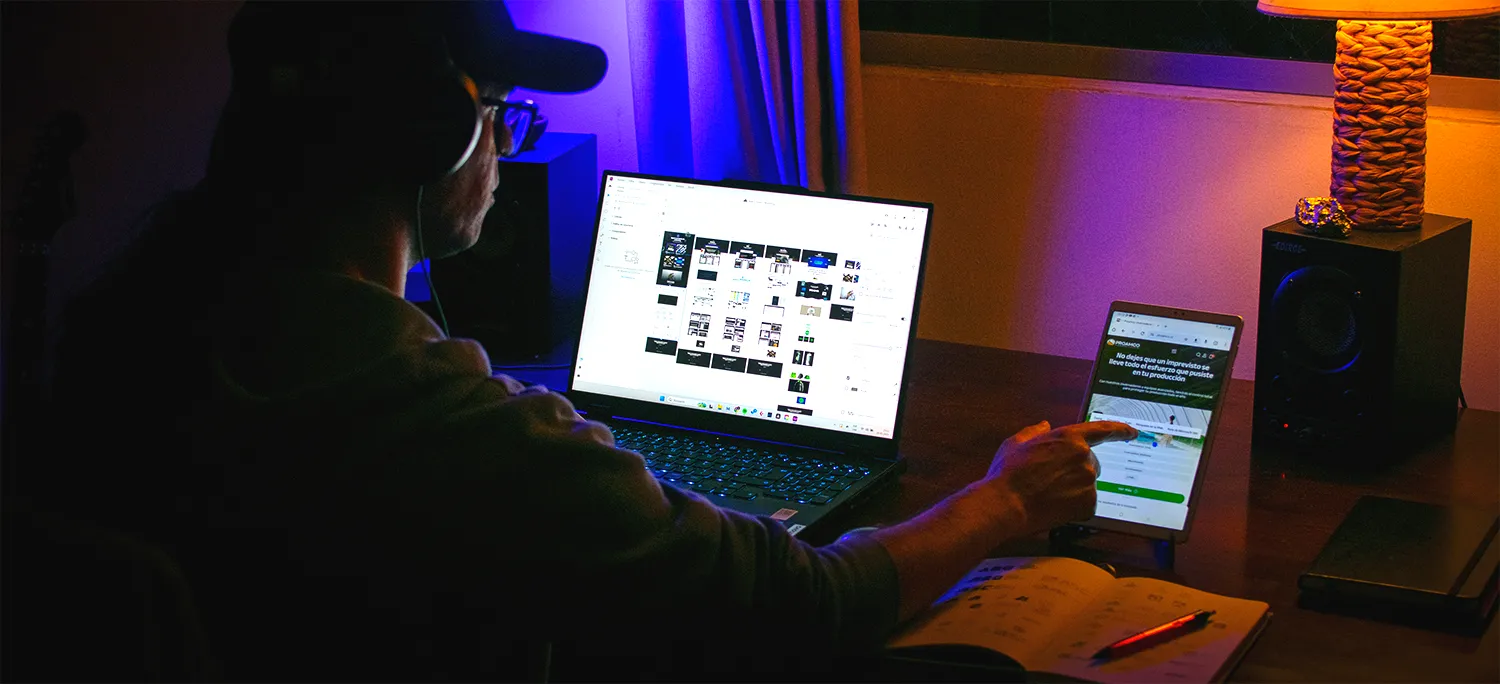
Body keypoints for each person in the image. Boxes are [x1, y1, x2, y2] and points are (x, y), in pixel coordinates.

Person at [40, 2, 1136, 680]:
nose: (508, 152)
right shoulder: (436, 424)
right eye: (502, 111)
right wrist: (1007, 499)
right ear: (434, 134)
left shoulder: (125, 323)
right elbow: (806, 604)